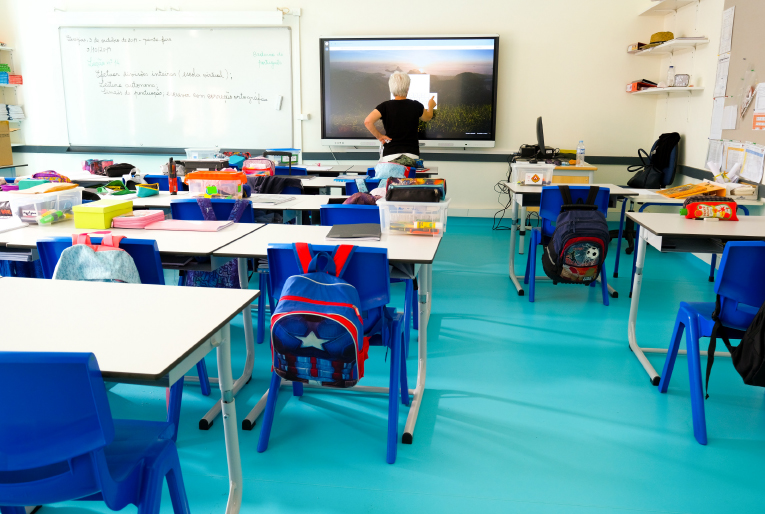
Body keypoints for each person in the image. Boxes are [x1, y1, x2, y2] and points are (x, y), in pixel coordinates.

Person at [364, 71, 436, 167]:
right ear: (407, 88)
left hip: (390, 155)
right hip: (412, 155)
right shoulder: (416, 105)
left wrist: (380, 136)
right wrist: (430, 105)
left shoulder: (385, 106)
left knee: (390, 182)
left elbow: (368, 121)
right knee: (409, 182)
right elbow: (427, 117)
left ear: (391, 88)